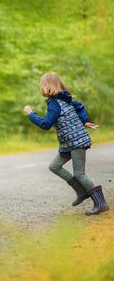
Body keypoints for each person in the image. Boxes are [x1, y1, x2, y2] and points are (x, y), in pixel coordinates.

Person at [23, 72, 109, 215]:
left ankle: (101, 203)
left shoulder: (54, 103)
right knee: (54, 166)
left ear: (48, 86)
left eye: (42, 85)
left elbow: (46, 124)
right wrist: (84, 121)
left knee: (80, 174)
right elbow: (78, 107)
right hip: (68, 143)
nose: (41, 88)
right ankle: (81, 191)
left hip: (76, 142)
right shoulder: (64, 99)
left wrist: (31, 114)